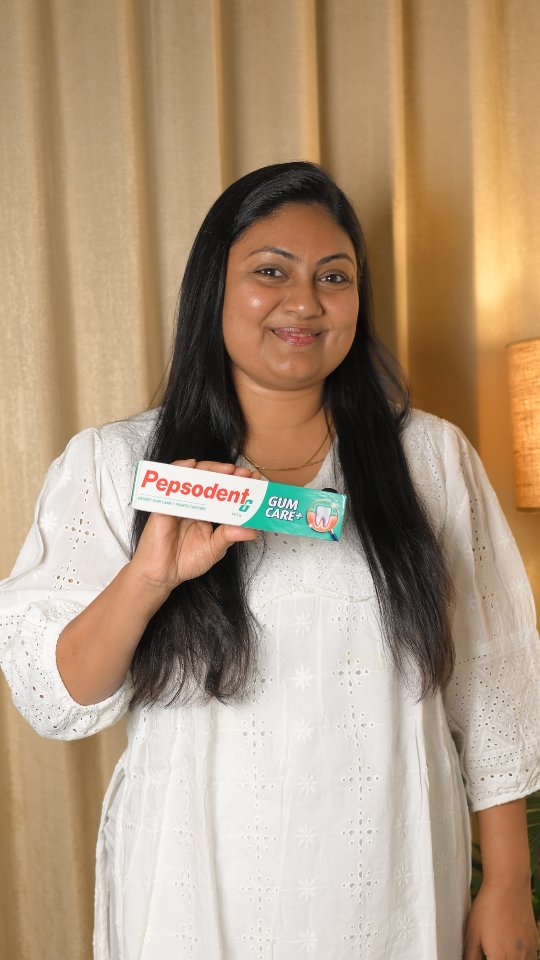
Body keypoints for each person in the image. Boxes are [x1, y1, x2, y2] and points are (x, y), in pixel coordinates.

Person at [0, 161, 539, 960]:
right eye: (271, 272)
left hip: (391, 871)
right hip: (195, 879)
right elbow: (57, 698)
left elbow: (492, 679)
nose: (306, 302)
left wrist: (507, 881)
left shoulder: (430, 458)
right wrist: (149, 576)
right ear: (212, 288)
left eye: (334, 276)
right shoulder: (117, 464)